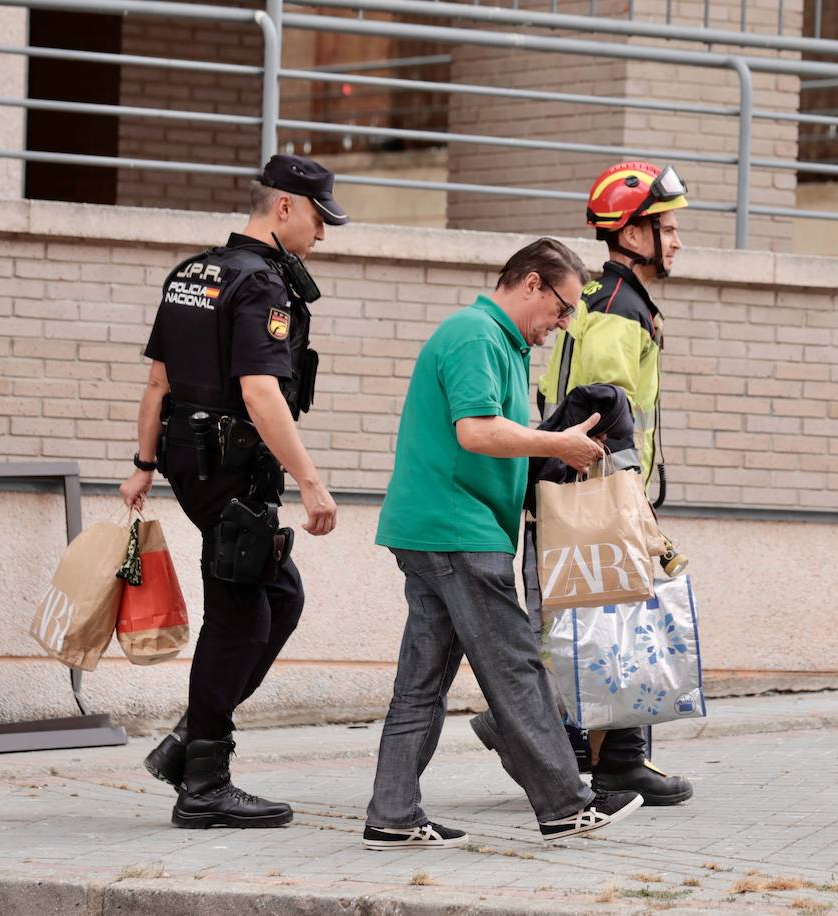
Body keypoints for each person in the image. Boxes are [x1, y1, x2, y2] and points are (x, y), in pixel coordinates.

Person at [363, 238, 645, 850]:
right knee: (516, 667)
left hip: (442, 528)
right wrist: (559, 446)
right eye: (562, 308)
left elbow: (499, 437)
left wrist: (548, 457)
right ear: (533, 285)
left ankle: (392, 815)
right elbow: (477, 431)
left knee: (423, 682)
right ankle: (566, 805)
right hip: (459, 532)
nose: (562, 324)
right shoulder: (476, 336)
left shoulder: (504, 344)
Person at [119, 154, 344, 828]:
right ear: (283, 208)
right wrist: (311, 482)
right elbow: (259, 391)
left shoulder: (193, 273)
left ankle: (192, 740)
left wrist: (144, 463)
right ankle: (205, 782)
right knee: (240, 615)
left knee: (281, 595)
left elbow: (159, 382)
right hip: (230, 467)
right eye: (317, 217)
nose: (323, 234)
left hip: (190, 462)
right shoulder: (261, 286)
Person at [470, 161, 695, 806]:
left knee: (607, 626)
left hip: (585, 497)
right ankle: (544, 738)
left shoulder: (609, 301)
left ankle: (602, 755)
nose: (676, 242)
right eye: (666, 228)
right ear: (629, 234)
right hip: (594, 501)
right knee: (602, 624)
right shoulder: (620, 310)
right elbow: (602, 410)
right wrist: (631, 504)